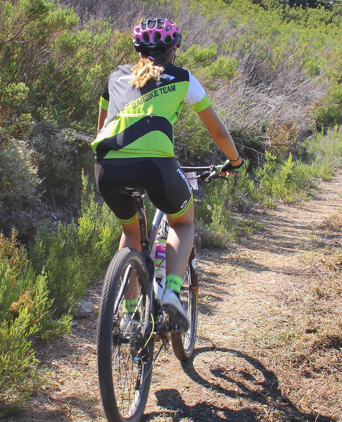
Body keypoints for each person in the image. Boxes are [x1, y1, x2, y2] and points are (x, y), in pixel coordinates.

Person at [91, 18, 244, 329]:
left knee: (131, 233)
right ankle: (173, 292)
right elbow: (217, 131)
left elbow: (101, 127)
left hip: (107, 168)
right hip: (156, 166)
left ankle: (128, 313)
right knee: (182, 221)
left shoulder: (114, 77)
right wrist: (235, 161)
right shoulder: (184, 79)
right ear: (174, 50)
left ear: (137, 49)